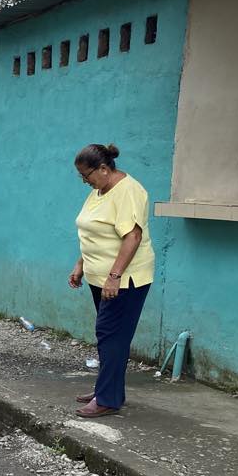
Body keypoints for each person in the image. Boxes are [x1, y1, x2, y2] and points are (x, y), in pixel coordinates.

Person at [68, 143, 156, 418]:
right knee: (110, 336)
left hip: (125, 279)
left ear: (104, 168)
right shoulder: (99, 190)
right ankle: (108, 390)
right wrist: (81, 265)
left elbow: (133, 237)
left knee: (110, 335)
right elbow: (93, 231)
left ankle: (107, 398)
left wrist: (114, 276)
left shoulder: (128, 191)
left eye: (86, 175)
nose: (85, 181)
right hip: (101, 277)